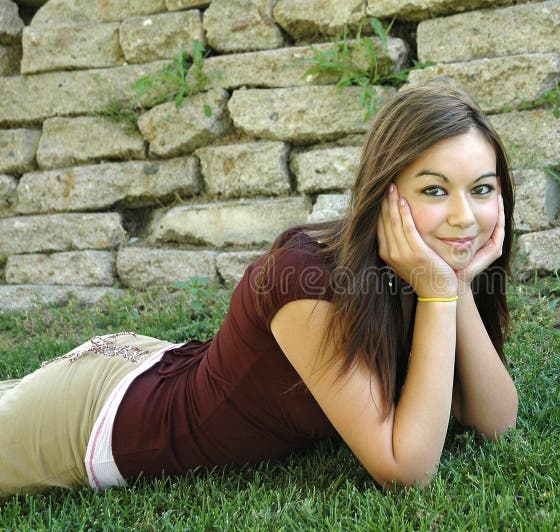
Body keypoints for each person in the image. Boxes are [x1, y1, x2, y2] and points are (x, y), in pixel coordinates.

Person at [0, 77, 518, 497]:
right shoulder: (307, 282)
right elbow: (407, 469)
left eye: (481, 189)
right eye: (434, 189)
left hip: (148, 365)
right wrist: (438, 291)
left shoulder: (417, 275)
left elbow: (495, 421)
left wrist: (455, 288)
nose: (463, 217)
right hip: (96, 423)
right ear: (385, 195)